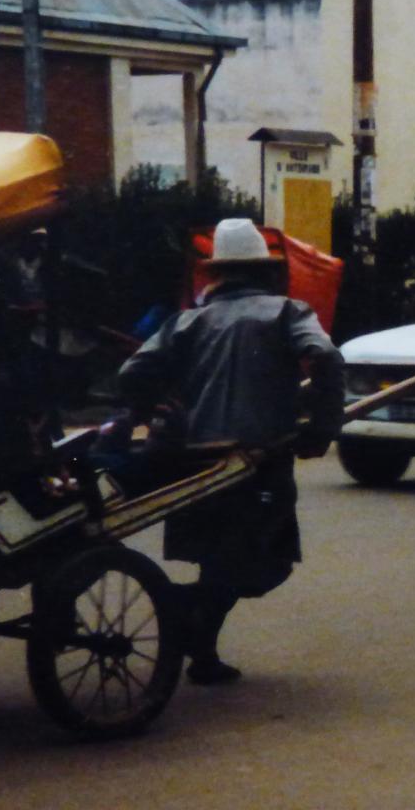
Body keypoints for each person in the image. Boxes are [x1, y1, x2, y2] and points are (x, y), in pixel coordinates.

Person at [115, 218, 344, 684]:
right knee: (265, 561)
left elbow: (130, 374)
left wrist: (155, 406)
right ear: (262, 270)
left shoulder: (186, 321)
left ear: (218, 274)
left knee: (215, 556)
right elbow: (325, 356)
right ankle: (183, 609)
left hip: (189, 459)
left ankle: (202, 653)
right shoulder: (286, 312)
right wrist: (322, 427)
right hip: (254, 458)